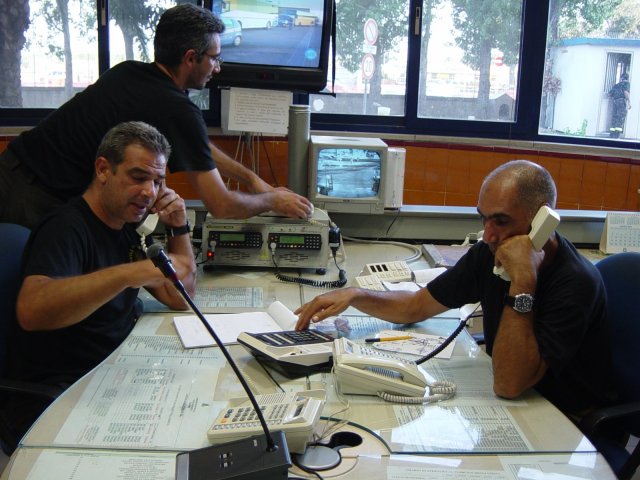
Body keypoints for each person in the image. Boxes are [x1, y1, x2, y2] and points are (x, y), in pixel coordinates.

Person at [295, 160, 616, 418]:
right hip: (513, 399)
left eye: (500, 221)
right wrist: (355, 295)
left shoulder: (575, 282)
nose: (488, 235)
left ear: (541, 217)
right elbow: (416, 306)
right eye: (484, 219)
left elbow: (509, 384)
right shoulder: (488, 254)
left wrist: (522, 282)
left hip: (567, 417)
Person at [0, 3, 313, 230]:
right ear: (191, 58)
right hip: (34, 198)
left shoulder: (128, 72)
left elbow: (197, 146)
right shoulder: (177, 108)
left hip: (12, 167)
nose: (217, 69)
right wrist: (273, 201)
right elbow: (221, 205)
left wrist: (253, 179)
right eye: (215, 60)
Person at [0, 121, 197, 446]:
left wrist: (179, 226)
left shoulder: (124, 226)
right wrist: (131, 273)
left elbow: (181, 296)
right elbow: (32, 310)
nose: (150, 192)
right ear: (103, 169)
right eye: (138, 177)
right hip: (61, 396)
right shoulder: (65, 228)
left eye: (158, 181)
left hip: (110, 376)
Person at [609, 73, 631, 138]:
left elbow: (610, 94)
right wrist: (629, 102)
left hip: (615, 101)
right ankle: (617, 135)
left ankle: (612, 134)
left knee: (614, 117)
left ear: (621, 78)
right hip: (621, 101)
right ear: (627, 78)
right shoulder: (626, 83)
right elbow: (626, 92)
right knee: (620, 117)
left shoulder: (616, 85)